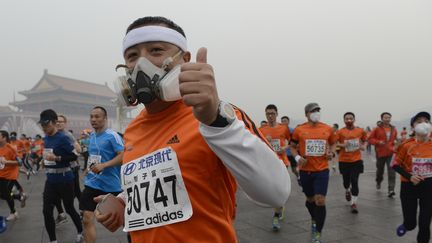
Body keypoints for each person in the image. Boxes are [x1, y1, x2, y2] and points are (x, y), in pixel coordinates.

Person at [95, 16, 290, 243]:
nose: (141, 64)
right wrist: (123, 201)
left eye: (156, 50)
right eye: (132, 56)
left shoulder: (219, 116)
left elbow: (277, 193)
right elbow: (163, 179)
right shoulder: (134, 129)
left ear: (184, 59)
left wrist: (216, 122)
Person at [290, 102, 337, 243]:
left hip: (322, 170)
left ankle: (318, 232)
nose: (316, 113)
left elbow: (334, 143)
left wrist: (332, 153)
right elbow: (292, 146)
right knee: (310, 200)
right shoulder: (299, 130)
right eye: (313, 111)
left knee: (320, 200)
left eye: (318, 110)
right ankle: (314, 218)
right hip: (305, 171)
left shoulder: (327, 129)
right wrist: (298, 157)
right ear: (306, 114)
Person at [80, 106, 124, 243]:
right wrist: (89, 168)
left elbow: (123, 156)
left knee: (124, 221)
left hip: (112, 185)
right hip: (92, 182)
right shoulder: (92, 136)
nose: (93, 119)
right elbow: (95, 156)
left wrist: (104, 165)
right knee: (86, 218)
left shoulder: (112, 136)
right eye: (91, 116)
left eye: (97, 117)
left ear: (105, 119)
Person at [39, 109, 83, 243]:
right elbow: (48, 154)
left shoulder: (63, 138)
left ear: (53, 122)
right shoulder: (45, 139)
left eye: (46, 125)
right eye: (42, 125)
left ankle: (80, 232)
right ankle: (53, 240)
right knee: (46, 211)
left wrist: (57, 158)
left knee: (69, 208)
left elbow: (74, 155)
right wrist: (43, 161)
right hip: (50, 181)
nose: (44, 128)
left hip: (65, 180)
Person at [392, 111, 432, 243]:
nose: (423, 124)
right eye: (419, 121)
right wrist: (410, 177)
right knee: (411, 223)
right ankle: (407, 225)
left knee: (425, 224)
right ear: (412, 127)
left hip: (429, 187)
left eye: (426, 121)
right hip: (409, 187)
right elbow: (395, 165)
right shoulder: (406, 145)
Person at [259, 104, 291, 231]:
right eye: (268, 114)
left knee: (280, 189)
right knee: (274, 190)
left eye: (272, 113)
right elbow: (257, 145)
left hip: (282, 162)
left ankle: (276, 216)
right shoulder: (261, 129)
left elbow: (291, 142)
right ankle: (279, 205)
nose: (270, 116)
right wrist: (263, 141)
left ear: (277, 114)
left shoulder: (284, 128)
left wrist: (285, 147)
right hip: (269, 163)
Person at [336, 112, 367, 213]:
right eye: (347, 119)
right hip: (344, 160)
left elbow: (365, 140)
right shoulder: (340, 132)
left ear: (354, 119)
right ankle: (347, 190)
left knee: (354, 180)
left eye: (351, 118)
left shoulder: (360, 130)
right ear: (344, 120)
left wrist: (364, 146)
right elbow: (335, 143)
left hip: (356, 160)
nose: (349, 120)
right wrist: (342, 145)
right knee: (346, 182)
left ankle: (353, 203)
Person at [368, 112, 398, 198]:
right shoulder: (377, 129)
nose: (387, 119)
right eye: (385, 117)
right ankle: (378, 181)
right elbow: (370, 139)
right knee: (380, 171)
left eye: (389, 117)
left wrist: (396, 143)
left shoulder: (394, 129)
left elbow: (395, 139)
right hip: (380, 153)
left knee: (392, 171)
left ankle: (391, 190)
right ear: (382, 118)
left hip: (391, 153)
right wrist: (378, 142)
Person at [0, 130, 20, 221]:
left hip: (9, 175)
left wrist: (7, 162)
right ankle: (18, 196)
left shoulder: (11, 148)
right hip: (1, 174)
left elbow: (19, 162)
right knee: (3, 194)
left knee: (7, 194)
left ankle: (13, 212)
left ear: (4, 137)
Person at [281, 115, 300, 181]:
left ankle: (298, 177)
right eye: (282, 121)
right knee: (283, 169)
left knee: (294, 170)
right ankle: (283, 181)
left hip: (291, 153)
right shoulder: (279, 130)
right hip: (283, 154)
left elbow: (294, 142)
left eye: (285, 121)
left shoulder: (292, 130)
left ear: (288, 122)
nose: (283, 122)